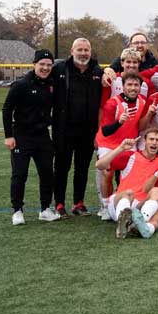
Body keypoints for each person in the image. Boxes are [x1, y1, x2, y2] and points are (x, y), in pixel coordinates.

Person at [3, 49, 59, 224]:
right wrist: (9, 136)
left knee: (47, 173)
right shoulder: (21, 84)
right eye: (42, 64)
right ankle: (17, 210)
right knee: (20, 174)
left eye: (49, 65)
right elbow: (7, 109)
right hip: (22, 136)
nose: (45, 68)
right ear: (34, 64)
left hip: (42, 136)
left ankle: (45, 209)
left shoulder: (52, 84)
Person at [51, 38, 104, 217]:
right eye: (79, 49)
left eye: (86, 50)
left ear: (90, 51)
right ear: (72, 51)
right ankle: (59, 204)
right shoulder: (60, 69)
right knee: (61, 167)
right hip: (64, 129)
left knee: (82, 168)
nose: (83, 53)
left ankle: (78, 203)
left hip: (87, 131)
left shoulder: (98, 71)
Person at [94, 130, 158, 238]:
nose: (154, 143)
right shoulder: (130, 156)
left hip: (141, 206)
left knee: (157, 191)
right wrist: (121, 148)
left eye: (157, 140)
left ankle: (139, 221)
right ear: (145, 141)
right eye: (151, 139)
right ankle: (123, 220)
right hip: (120, 202)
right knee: (128, 193)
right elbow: (99, 165)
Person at [95, 71, 149, 216]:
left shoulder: (143, 101)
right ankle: (106, 206)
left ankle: (125, 203)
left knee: (131, 175)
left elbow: (142, 126)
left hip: (129, 143)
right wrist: (119, 122)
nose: (133, 88)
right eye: (129, 85)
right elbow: (105, 131)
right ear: (123, 86)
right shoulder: (113, 103)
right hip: (109, 143)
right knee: (107, 172)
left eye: (136, 85)